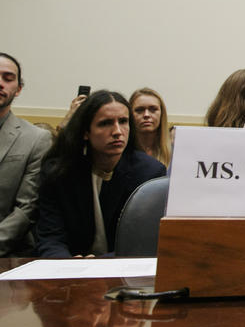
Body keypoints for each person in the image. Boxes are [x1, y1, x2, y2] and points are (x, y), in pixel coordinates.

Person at [34, 91, 166, 257]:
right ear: (85, 132)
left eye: (123, 121)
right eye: (105, 123)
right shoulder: (58, 172)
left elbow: (143, 243)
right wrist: (66, 266)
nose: (118, 131)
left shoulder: (149, 173)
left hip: (122, 269)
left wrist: (98, 265)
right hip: (69, 268)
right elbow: (50, 237)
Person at [0, 53, 52, 256]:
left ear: (19, 88)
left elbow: (26, 208)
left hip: (8, 256)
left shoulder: (36, 139)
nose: (0, 83)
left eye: (8, 78)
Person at [129, 88, 171, 167]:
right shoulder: (121, 151)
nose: (146, 115)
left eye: (153, 109)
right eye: (139, 110)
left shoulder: (174, 151)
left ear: (162, 114)